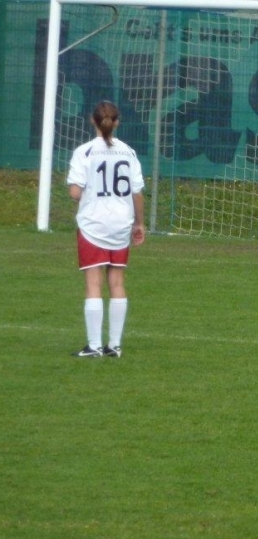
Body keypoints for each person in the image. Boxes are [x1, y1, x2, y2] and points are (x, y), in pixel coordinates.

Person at [67, 100, 146, 358]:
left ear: (93, 121)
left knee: (93, 283)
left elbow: (75, 192)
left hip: (93, 224)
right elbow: (137, 194)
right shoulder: (129, 152)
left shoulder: (84, 152)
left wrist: (86, 191)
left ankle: (93, 346)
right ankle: (114, 345)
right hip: (121, 224)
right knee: (117, 282)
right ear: (117, 122)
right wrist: (138, 223)